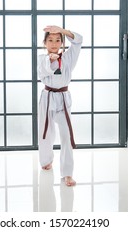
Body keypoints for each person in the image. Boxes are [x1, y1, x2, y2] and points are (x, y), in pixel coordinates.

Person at [38, 25, 83, 187]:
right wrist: (50, 59)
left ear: (62, 43)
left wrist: (63, 30)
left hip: (63, 98)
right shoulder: (41, 59)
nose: (54, 43)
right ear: (45, 43)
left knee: (66, 135)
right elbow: (43, 72)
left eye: (58, 40)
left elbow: (78, 40)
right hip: (47, 97)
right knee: (46, 132)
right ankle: (46, 160)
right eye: (50, 40)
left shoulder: (69, 57)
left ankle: (67, 173)